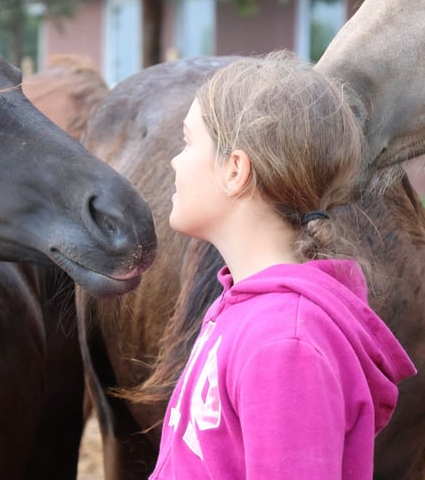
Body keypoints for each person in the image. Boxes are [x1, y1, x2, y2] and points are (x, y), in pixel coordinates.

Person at [150, 52, 416, 479]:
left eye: (187, 142)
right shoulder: (242, 308)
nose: (174, 161)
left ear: (235, 170)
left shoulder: (285, 345)